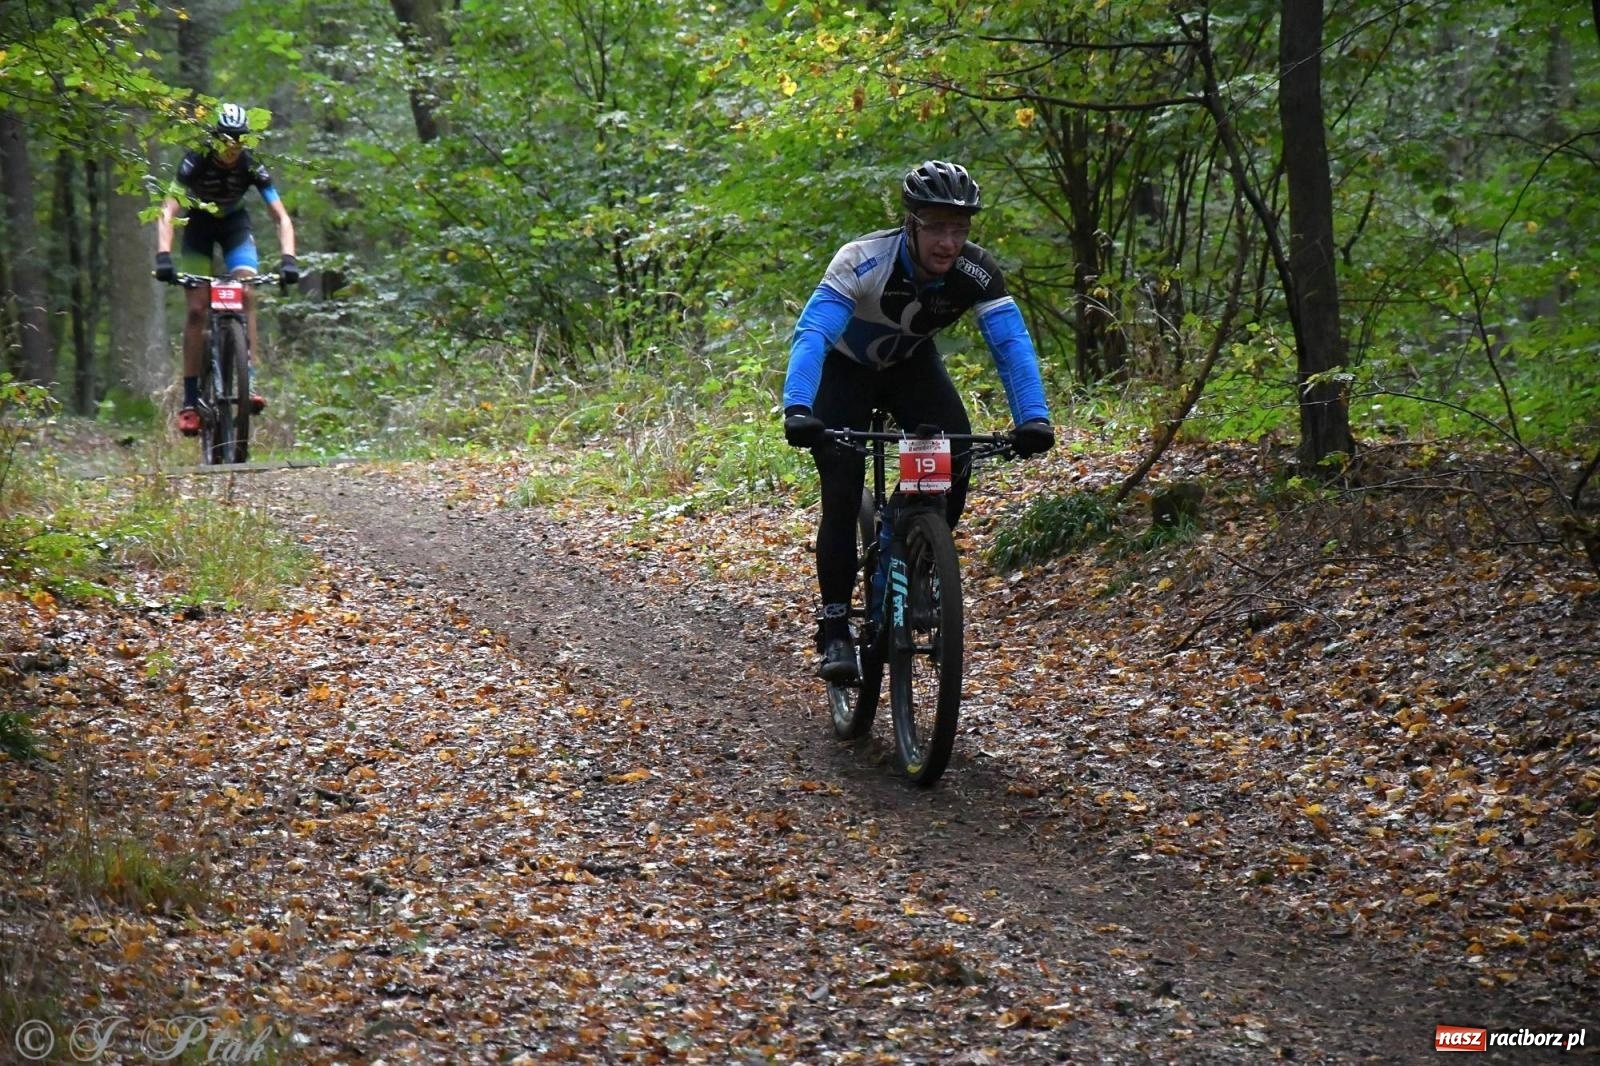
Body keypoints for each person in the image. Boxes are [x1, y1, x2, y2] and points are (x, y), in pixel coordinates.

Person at [781, 160, 1055, 682]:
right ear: (910, 224)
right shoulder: (862, 261)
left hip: (910, 368)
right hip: (845, 372)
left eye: (959, 229)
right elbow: (812, 333)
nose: (948, 242)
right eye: (935, 226)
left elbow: (1011, 344)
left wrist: (1033, 418)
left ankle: (922, 559)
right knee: (842, 491)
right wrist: (798, 407)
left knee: (955, 456)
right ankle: (836, 627)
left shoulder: (977, 271)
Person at [154, 102, 298, 436]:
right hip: (198, 228)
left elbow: (281, 216)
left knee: (246, 292)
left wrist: (289, 258)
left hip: (235, 227)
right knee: (196, 310)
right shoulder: (195, 159)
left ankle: (249, 382)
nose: (232, 147)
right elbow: (168, 209)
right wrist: (163, 255)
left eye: (239, 140)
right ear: (215, 137)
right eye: (226, 139)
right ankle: (190, 401)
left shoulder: (251, 165)